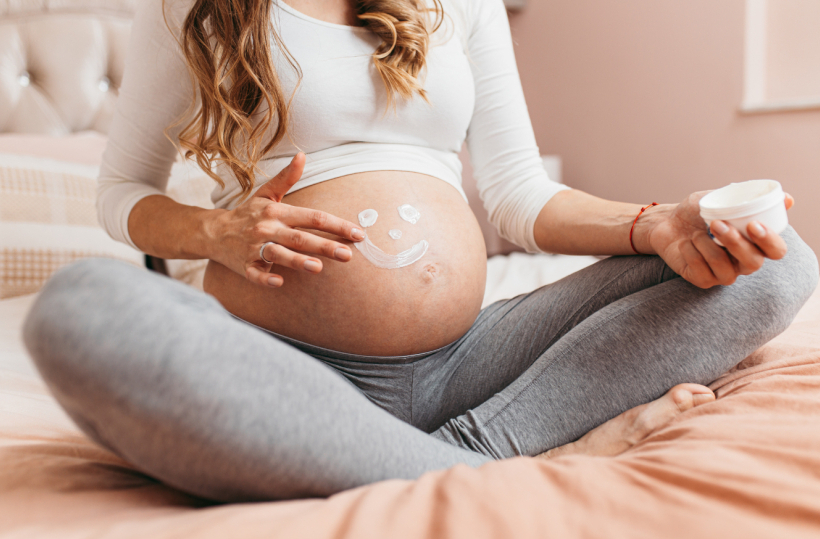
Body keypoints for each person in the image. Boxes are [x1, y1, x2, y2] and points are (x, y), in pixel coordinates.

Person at [24, 0, 817, 502]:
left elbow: (519, 196)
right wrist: (215, 232)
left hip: (465, 360)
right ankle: (508, 460)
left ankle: (466, 448)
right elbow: (120, 193)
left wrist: (655, 224)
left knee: (773, 259)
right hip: (284, 371)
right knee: (78, 307)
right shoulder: (198, 10)